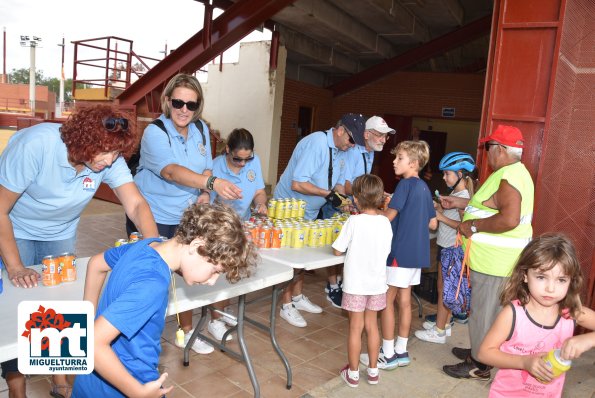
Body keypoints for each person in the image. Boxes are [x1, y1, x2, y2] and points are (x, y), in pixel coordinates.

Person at [0, 105, 159, 398]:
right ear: (83, 140)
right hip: (16, 229)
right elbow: (0, 208)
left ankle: (60, 379)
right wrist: (15, 266)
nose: (111, 161)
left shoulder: (109, 159)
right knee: (19, 309)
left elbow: (136, 205)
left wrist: (155, 249)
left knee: (58, 307)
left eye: (117, 154)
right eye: (106, 152)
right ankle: (16, 384)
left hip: (60, 233)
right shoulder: (36, 145)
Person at [72, 203, 257, 397]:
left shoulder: (146, 245)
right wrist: (137, 392)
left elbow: (96, 264)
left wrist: (89, 318)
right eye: (215, 271)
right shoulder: (153, 284)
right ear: (196, 246)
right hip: (125, 385)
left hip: (89, 383)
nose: (212, 282)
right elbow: (92, 343)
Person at [132, 73, 242, 354]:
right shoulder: (155, 131)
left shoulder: (201, 130)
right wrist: (212, 183)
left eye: (191, 105)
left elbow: (205, 169)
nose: (184, 110)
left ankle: (187, 329)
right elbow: (170, 171)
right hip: (153, 213)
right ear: (167, 101)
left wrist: (205, 193)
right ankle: (143, 336)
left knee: (189, 271)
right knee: (152, 279)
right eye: (179, 102)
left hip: (186, 214)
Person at [441, 125, 535, 380]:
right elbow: (491, 207)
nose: (487, 153)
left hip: (495, 263)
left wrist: (471, 226)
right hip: (495, 261)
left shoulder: (509, 178)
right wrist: (461, 203)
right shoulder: (512, 173)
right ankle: (479, 350)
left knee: (483, 314)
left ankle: (479, 364)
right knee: (486, 312)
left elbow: (509, 219)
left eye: (489, 148)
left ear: (502, 150)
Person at [273, 113, 363, 328]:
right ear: (340, 130)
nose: (352, 146)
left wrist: (346, 201)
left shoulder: (341, 150)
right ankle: (286, 305)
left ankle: (297, 296)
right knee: (290, 259)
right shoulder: (316, 143)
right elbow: (298, 183)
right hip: (290, 209)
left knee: (302, 258)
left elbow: (338, 186)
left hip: (310, 211)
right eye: (352, 140)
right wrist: (328, 195)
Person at [477, 233, 595, 397]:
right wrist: (524, 362)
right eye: (541, 277)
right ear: (525, 275)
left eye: (561, 280)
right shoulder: (513, 314)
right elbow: (484, 353)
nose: (550, 288)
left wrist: (589, 339)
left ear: (571, 280)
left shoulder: (571, 313)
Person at [361, 140, 437, 370]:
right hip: (417, 253)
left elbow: (388, 218)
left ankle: (387, 354)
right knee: (405, 301)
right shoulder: (424, 187)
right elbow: (432, 223)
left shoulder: (404, 186)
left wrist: (368, 211)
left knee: (386, 301)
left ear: (413, 163)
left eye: (399, 158)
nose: (394, 161)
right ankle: (401, 351)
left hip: (399, 252)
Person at [322, 116, 395, 308]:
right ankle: (332, 286)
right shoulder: (354, 152)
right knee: (338, 246)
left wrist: (374, 194)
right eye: (379, 135)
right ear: (367, 134)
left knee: (347, 244)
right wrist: (370, 195)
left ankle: (340, 282)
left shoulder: (369, 152)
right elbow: (345, 185)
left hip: (356, 202)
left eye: (385, 137)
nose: (383, 140)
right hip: (339, 202)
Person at [332, 174, 392, 387]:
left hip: (356, 285)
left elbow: (338, 250)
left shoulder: (353, 221)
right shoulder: (385, 222)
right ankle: (374, 371)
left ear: (356, 199)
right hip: (377, 284)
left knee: (355, 328)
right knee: (372, 327)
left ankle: (354, 373)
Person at [209, 128, 267, 340]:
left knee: (232, 272)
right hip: (218, 227)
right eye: (237, 159)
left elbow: (259, 192)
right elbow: (205, 197)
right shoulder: (214, 166)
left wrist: (260, 204)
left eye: (247, 159)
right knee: (217, 273)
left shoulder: (255, 161)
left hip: (241, 225)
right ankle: (214, 319)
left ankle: (223, 310)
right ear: (227, 150)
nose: (243, 164)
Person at [415, 152, 475, 344]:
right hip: (445, 245)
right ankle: (445, 325)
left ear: (460, 175)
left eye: (447, 173)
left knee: (444, 289)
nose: (444, 177)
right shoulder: (456, 195)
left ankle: (439, 332)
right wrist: (439, 208)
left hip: (452, 248)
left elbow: (464, 228)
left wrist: (440, 217)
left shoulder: (464, 198)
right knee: (444, 288)